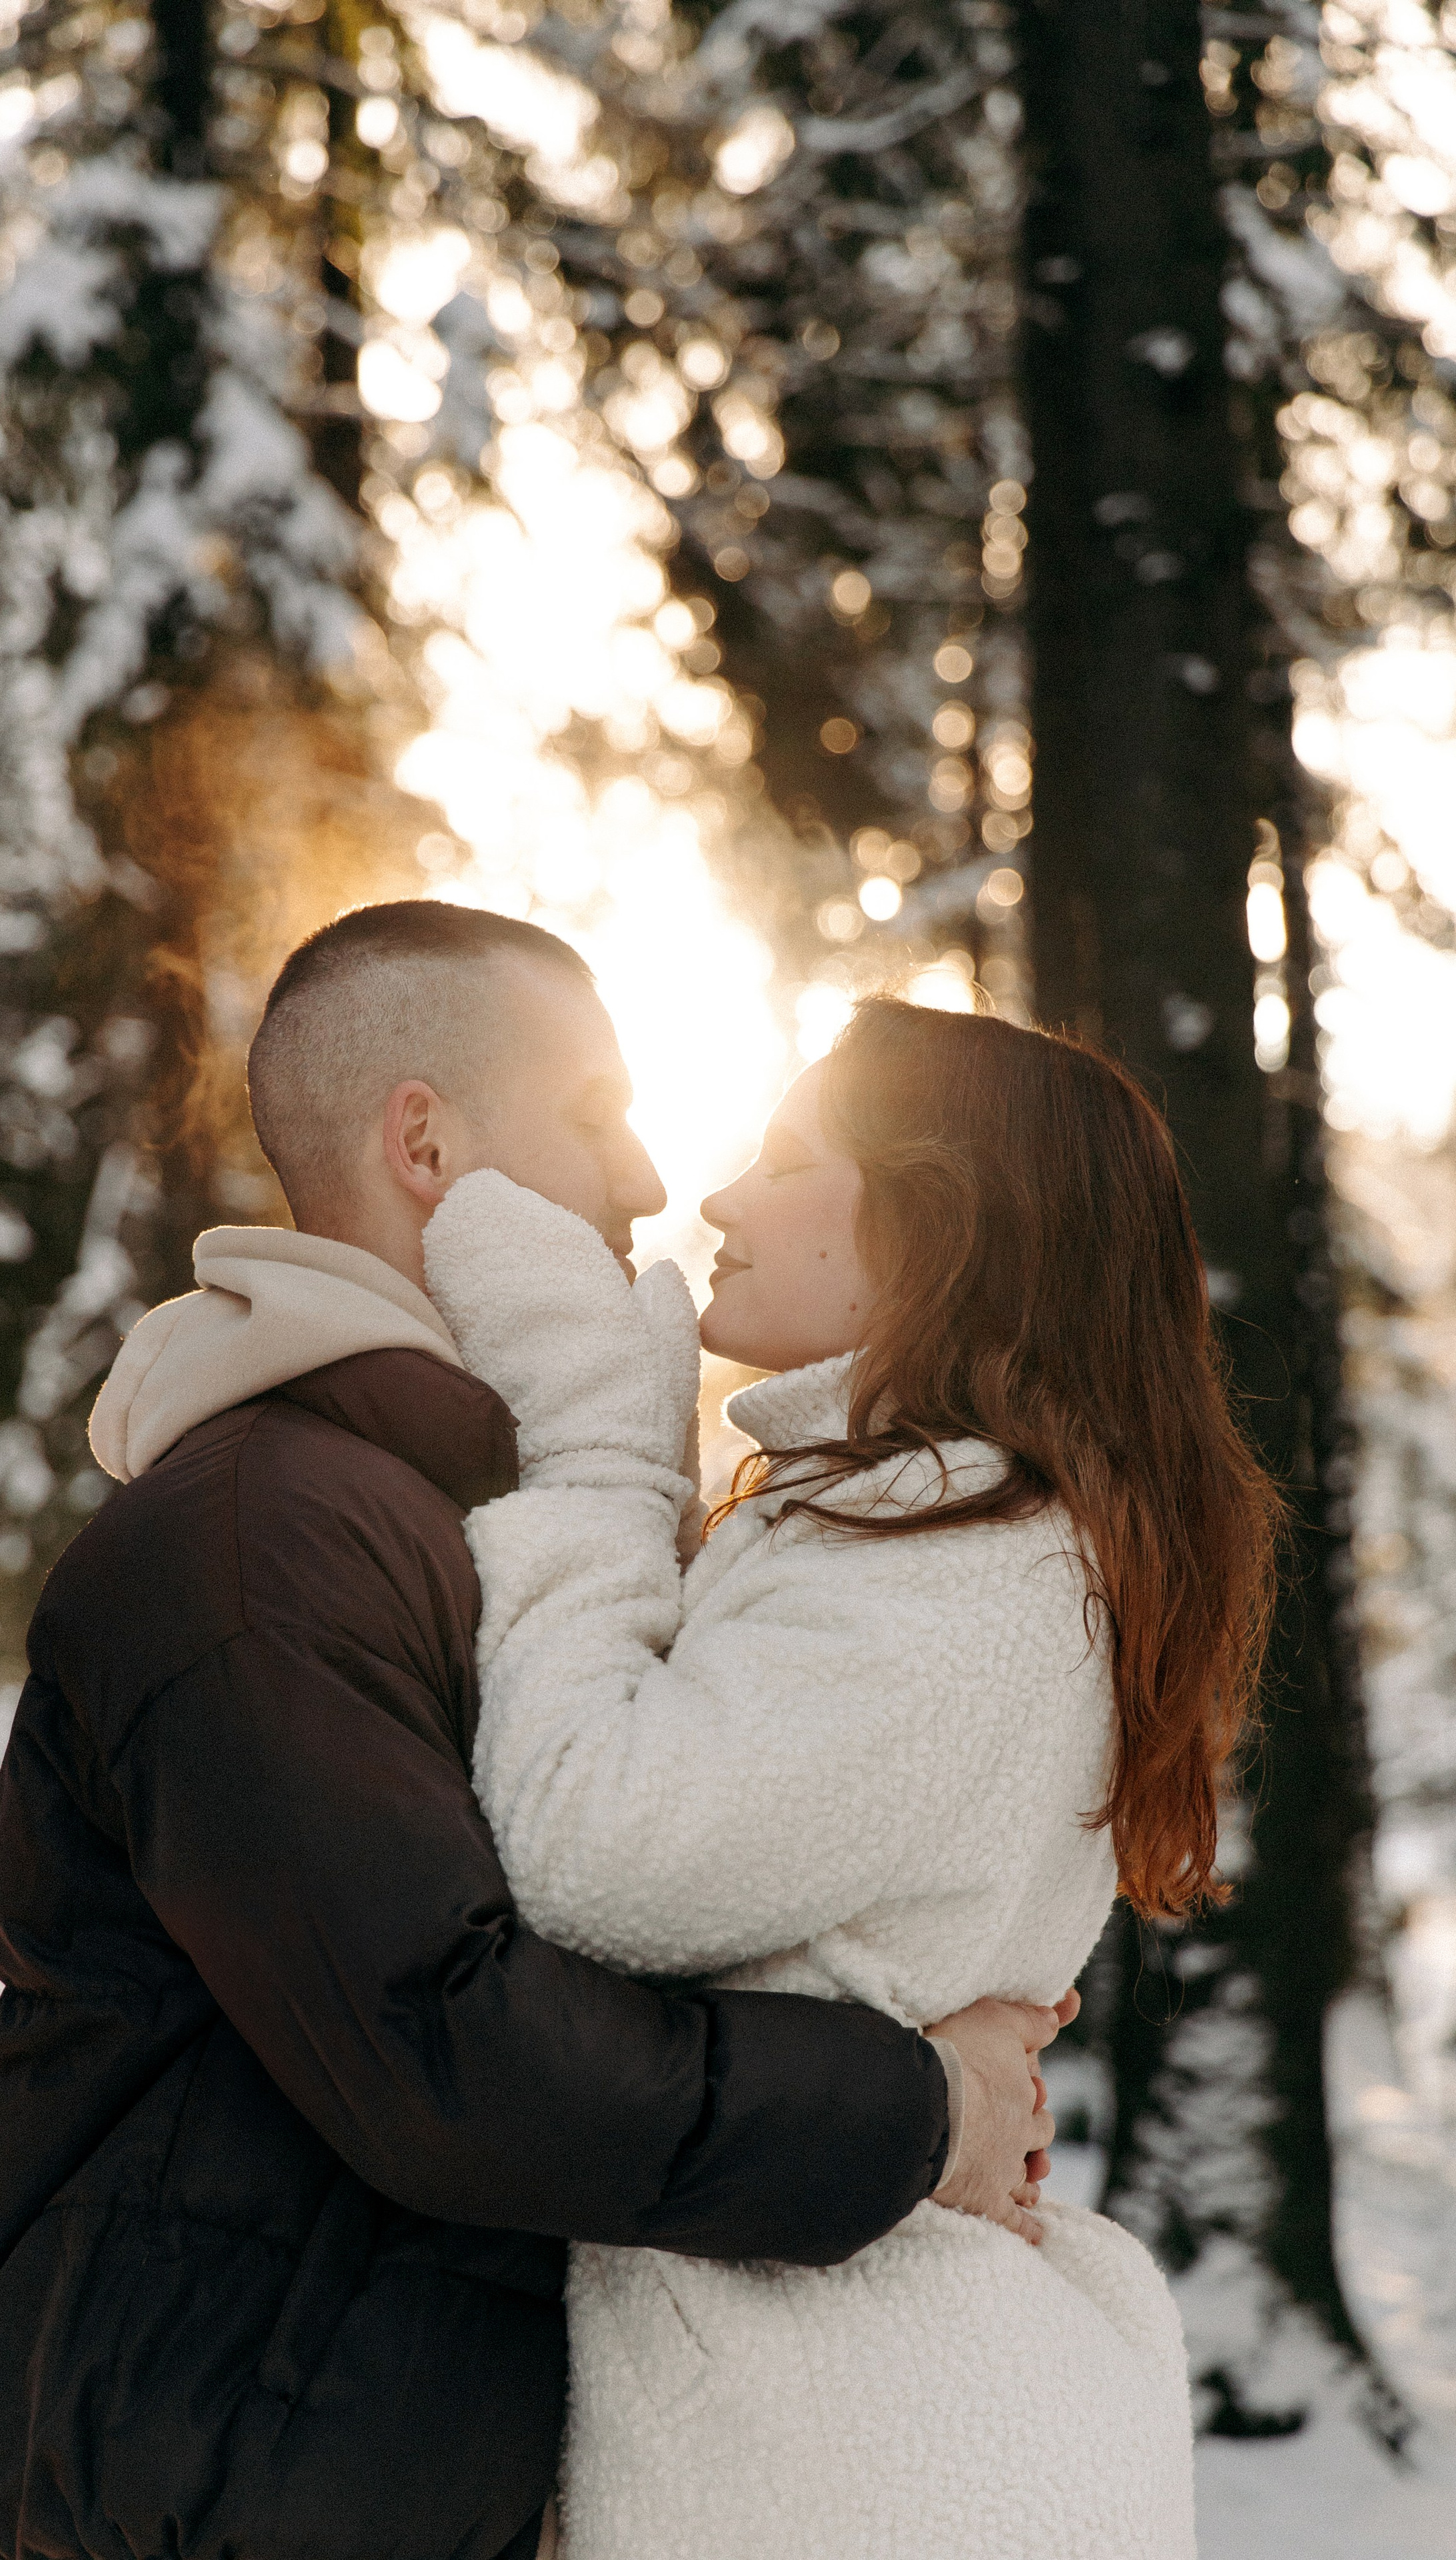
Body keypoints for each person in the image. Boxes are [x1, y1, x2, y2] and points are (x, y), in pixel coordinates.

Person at [0, 906, 1064, 2560]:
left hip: (350, 2475)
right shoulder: (261, 1540)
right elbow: (453, 2052)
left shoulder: (467, 1525)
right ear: (425, 1145)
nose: (649, 1181)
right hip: (196, 2489)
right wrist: (919, 2113)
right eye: (596, 1115)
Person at [421, 994, 1285, 2560]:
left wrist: (598, 1461)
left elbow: (589, 1848)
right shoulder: (940, 1535)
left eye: (783, 1160)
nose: (719, 1201)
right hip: (870, 2413)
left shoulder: (961, 1574)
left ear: (934, 1224)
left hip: (862, 2449)